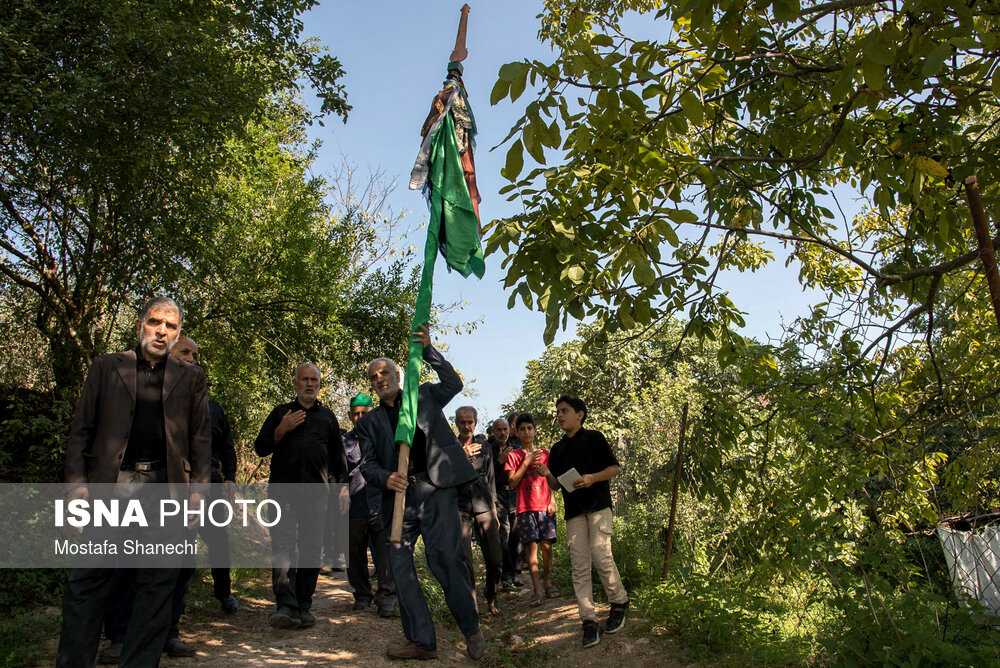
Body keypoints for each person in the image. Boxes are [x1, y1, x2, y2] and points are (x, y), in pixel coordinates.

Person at [57, 296, 211, 668]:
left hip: (164, 489)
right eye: (156, 322)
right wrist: (76, 486)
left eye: (170, 326)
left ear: (178, 333)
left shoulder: (191, 377)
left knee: (156, 587)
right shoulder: (107, 367)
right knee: (87, 582)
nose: (162, 331)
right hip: (109, 487)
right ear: (141, 323)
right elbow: (81, 432)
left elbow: (200, 440)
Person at [357, 323, 486, 661]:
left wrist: (429, 350)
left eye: (385, 372)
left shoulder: (424, 394)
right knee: (399, 569)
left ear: (398, 375)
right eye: (374, 376)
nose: (380, 378)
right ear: (372, 384)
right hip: (399, 500)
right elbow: (367, 466)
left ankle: (472, 630)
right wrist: (386, 478)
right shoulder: (368, 423)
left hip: (435, 489)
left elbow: (454, 383)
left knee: (444, 560)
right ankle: (422, 641)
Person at [254, 363, 349, 629]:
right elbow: (261, 448)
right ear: (295, 382)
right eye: (304, 379)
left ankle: (304, 605)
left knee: (310, 549)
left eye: (314, 380)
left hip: (316, 494)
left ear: (319, 384)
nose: (309, 384)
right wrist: (281, 429)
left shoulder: (328, 417)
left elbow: (337, 458)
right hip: (282, 492)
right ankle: (285, 604)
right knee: (282, 546)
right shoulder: (280, 412)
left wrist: (342, 488)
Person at [546, 395, 629, 648]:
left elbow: (614, 468)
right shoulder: (556, 449)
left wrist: (592, 478)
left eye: (565, 411)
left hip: (598, 506)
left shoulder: (595, 438)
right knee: (579, 566)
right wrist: (546, 474)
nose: (560, 416)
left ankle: (619, 603)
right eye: (558, 411)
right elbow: (555, 486)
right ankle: (589, 621)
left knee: (600, 554)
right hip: (574, 513)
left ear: (579, 414)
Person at [342, 391, 397, 617]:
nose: (360, 417)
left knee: (386, 554)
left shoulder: (382, 436)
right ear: (350, 415)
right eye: (356, 414)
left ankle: (386, 598)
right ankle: (362, 595)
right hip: (354, 505)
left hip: (381, 503)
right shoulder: (344, 442)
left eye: (365, 413)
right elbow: (336, 471)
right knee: (354, 553)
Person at [505, 413, 559, 608]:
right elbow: (512, 482)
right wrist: (526, 462)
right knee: (532, 547)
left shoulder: (545, 453)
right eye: (522, 429)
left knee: (547, 546)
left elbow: (552, 481)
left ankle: (548, 582)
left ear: (535, 431)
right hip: (525, 508)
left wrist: (552, 501)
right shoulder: (514, 455)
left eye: (530, 428)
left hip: (545, 507)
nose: (527, 432)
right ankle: (536, 589)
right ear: (517, 432)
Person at [455, 406, 503, 615]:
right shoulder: (449, 448)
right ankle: (470, 606)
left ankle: (491, 595)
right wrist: (460, 455)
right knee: (465, 561)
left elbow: (491, 479)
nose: (466, 426)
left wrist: (494, 509)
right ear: (456, 422)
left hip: (484, 506)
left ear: (475, 423)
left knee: (495, 558)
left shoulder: (485, 447)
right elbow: (442, 476)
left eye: (470, 422)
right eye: (462, 422)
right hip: (459, 508)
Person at [488, 417, 524, 589]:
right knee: (504, 534)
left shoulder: (516, 447)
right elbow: (484, 474)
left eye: (505, 429)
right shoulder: (488, 449)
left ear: (509, 431)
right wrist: (499, 461)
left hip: (515, 494)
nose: (502, 433)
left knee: (517, 535)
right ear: (493, 431)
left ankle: (516, 573)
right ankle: (506, 574)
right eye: (498, 430)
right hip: (498, 495)